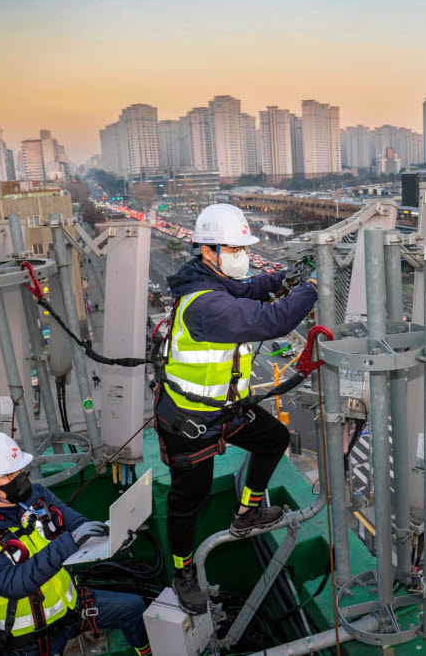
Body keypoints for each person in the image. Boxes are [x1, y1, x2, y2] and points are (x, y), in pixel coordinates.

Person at [154, 204, 317, 613]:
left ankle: (247, 513)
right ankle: (183, 569)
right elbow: (274, 319)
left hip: (225, 412)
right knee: (188, 503)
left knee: (274, 438)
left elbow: (254, 288)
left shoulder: (217, 283)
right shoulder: (206, 303)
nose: (241, 255)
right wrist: (313, 289)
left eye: (243, 247)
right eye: (234, 248)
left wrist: (286, 278)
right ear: (208, 252)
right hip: (190, 424)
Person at [0, 431, 150, 656]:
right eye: (10, 474)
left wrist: (110, 538)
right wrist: (69, 541)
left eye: (20, 469)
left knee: (133, 608)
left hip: (72, 610)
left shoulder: (37, 495)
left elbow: (76, 525)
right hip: (29, 641)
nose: (20, 477)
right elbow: (13, 584)